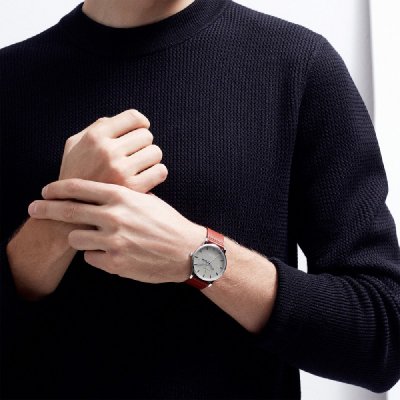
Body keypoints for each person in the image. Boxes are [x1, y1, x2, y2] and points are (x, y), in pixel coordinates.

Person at [1, 0, 399, 398]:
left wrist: (199, 256)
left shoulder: (296, 66)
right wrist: (61, 218)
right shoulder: (9, 81)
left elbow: (383, 335)